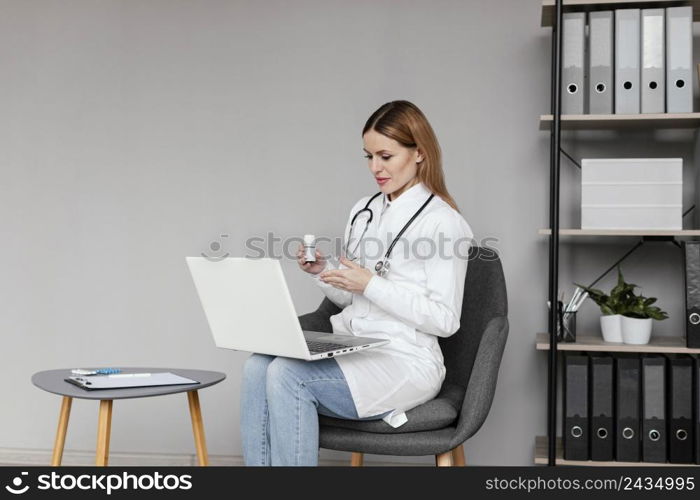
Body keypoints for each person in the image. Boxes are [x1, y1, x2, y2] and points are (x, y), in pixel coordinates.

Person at [240, 100, 474, 466]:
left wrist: (370, 284)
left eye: (385, 156)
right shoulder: (364, 211)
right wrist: (323, 271)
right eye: (368, 156)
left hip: (405, 360)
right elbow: (353, 301)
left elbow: (445, 320)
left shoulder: (444, 223)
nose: (375, 168)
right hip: (355, 347)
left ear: (419, 154)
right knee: (258, 366)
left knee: (288, 376)